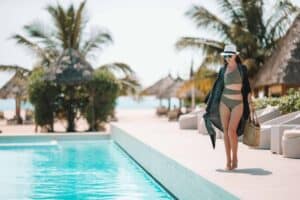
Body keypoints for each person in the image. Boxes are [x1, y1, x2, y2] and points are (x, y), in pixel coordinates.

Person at [203, 44, 253, 170]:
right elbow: (217, 87)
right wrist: (209, 100)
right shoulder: (222, 70)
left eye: (230, 55)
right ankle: (228, 161)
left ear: (235, 55)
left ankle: (235, 157)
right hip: (224, 102)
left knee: (232, 130)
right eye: (226, 56)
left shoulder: (242, 69)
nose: (227, 58)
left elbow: (247, 87)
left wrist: (250, 101)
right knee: (226, 131)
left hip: (238, 103)